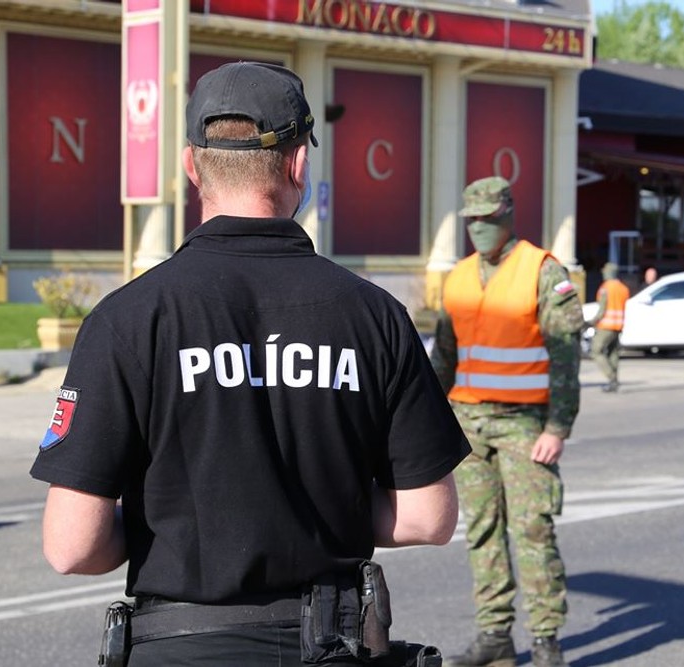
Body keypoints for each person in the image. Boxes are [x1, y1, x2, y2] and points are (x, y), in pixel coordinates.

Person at [29, 61, 471, 666]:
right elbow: (428, 517)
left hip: (178, 649)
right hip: (327, 646)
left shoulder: (126, 319)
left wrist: (180, 523)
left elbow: (71, 547)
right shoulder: (376, 316)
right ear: (297, 164)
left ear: (192, 165)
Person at [430, 176, 583, 667]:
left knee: (533, 531)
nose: (479, 228)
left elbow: (566, 357)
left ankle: (545, 641)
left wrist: (557, 428)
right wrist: (427, 421)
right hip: (468, 425)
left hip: (524, 425)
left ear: (508, 216)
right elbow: (444, 361)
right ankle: (495, 635)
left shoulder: (542, 270)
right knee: (480, 531)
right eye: (471, 220)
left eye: (487, 219)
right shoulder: (458, 277)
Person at [588, 262, 630, 393]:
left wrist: (592, 322)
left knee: (596, 351)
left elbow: (602, 310)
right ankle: (614, 381)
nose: (603, 273)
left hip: (606, 326)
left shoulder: (605, 288)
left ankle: (611, 377)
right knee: (613, 353)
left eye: (605, 271)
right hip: (618, 325)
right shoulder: (623, 288)